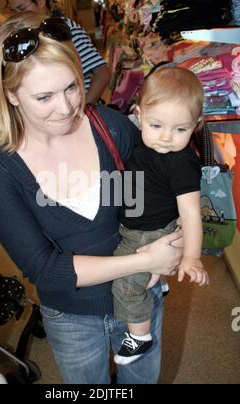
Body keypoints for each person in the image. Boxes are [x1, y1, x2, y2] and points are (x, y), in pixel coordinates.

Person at [0, 13, 183, 384]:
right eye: (44, 96)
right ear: (10, 94)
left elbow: (143, 207)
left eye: (72, 86)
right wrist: (148, 258)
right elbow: (46, 270)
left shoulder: (112, 129)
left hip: (139, 297)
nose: (67, 106)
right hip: (71, 318)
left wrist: (170, 241)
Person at [112, 67, 210, 366]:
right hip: (136, 225)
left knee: (124, 284)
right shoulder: (144, 143)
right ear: (139, 115)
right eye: (157, 125)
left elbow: (192, 214)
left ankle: (140, 337)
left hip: (150, 233)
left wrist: (190, 256)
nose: (167, 137)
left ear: (196, 124)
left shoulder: (181, 163)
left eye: (180, 129)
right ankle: (157, 282)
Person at [9, 0, 111, 104]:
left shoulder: (65, 28)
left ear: (40, 2)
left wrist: (84, 110)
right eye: (13, 11)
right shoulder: (26, 36)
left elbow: (102, 74)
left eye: (21, 8)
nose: (18, 15)